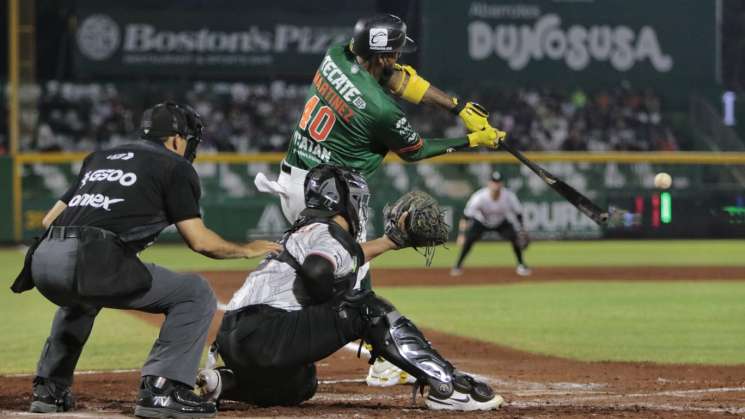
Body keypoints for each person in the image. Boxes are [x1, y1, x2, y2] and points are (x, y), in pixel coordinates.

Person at [254, 13, 507, 387]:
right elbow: (415, 151)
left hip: (295, 181)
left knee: (333, 278)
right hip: (329, 197)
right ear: (385, 56)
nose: (399, 58)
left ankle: (250, 336)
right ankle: (377, 360)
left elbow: (394, 78)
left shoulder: (335, 56)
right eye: (396, 53)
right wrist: (472, 140)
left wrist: (457, 107)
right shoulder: (379, 109)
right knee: (352, 280)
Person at [19, 102, 281, 418]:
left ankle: (49, 390)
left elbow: (50, 220)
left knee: (82, 297)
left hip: (43, 260)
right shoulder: (175, 166)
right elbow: (199, 242)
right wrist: (246, 249)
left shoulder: (100, 158)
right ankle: (164, 389)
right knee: (195, 292)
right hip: (88, 259)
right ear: (175, 139)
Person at [198, 164, 504, 411]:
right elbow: (319, 270)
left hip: (236, 340)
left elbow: (347, 257)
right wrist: (336, 301)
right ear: (339, 200)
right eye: (356, 199)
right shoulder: (326, 232)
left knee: (302, 383)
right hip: (264, 333)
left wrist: (390, 242)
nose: (360, 206)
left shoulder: (309, 232)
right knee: (365, 308)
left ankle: (224, 383)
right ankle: (447, 385)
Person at [451, 171, 531, 277]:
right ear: (489, 183)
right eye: (494, 182)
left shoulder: (509, 196)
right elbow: (465, 217)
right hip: (481, 222)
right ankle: (458, 266)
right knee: (468, 241)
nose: (496, 184)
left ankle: (521, 265)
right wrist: (461, 235)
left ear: (502, 184)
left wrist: (522, 229)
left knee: (515, 238)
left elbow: (518, 213)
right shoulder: (479, 197)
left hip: (501, 222)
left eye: (498, 182)